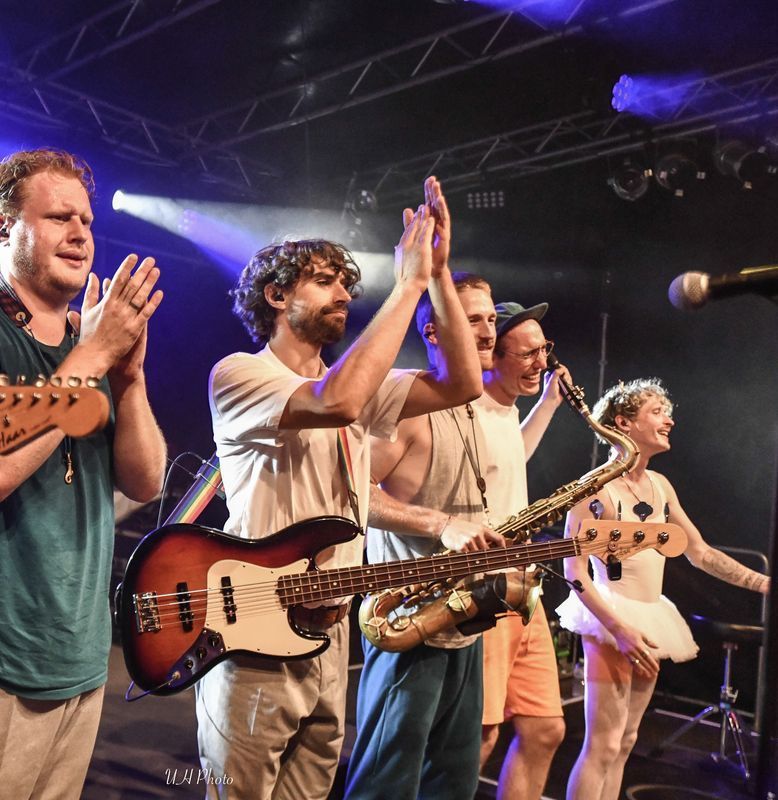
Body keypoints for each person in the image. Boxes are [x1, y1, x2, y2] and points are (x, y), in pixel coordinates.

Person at [195, 176, 488, 800]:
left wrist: (438, 275)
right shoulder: (239, 374)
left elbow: (464, 383)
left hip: (330, 636)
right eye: (325, 280)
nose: (344, 295)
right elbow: (338, 401)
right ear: (276, 295)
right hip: (256, 632)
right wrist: (407, 285)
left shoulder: (357, 381)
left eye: (347, 285)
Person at [0, 148, 166, 800]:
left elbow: (145, 482)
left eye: (86, 220)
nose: (81, 233)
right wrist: (95, 356)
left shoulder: (89, 343)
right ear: (1, 228)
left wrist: (129, 379)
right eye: (58, 217)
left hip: (77, 645)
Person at [557, 378, 778, 800]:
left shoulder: (661, 486)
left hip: (650, 614)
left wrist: (772, 587)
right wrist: (619, 629)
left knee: (626, 741)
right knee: (603, 744)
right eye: (656, 412)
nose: (669, 420)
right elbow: (573, 570)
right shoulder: (594, 488)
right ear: (623, 423)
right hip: (611, 617)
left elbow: (700, 552)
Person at [345, 270, 507, 800]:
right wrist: (441, 524)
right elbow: (352, 493)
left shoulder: (470, 407)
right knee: (384, 785)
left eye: (491, 319)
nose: (488, 332)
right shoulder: (408, 405)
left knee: (453, 784)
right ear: (435, 331)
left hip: (462, 620)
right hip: (409, 623)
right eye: (471, 319)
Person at [475, 301, 570, 800]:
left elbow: (515, 454)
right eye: (528, 353)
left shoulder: (507, 411)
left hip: (522, 587)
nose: (542, 362)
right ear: (493, 356)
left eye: (544, 349)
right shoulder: (470, 410)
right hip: (484, 589)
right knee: (481, 735)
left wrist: (549, 404)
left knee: (545, 728)